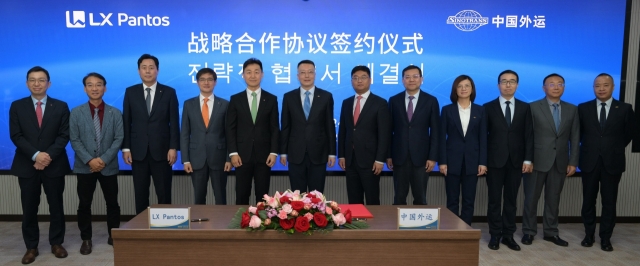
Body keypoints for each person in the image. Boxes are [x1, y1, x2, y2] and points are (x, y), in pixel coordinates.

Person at [9, 66, 71, 264]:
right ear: (27, 83)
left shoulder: (61, 106)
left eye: (41, 80)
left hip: (54, 165)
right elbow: (16, 136)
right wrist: (36, 155)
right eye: (33, 80)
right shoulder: (16, 106)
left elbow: (64, 136)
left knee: (56, 207)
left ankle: (56, 243)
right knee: (29, 208)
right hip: (27, 165)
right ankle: (31, 247)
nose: (37, 83)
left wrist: (46, 157)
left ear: (48, 83)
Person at [578, 73, 636, 252]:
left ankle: (605, 238)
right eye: (597, 86)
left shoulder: (625, 108)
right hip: (589, 161)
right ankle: (589, 235)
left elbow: (630, 133)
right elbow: (578, 134)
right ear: (593, 88)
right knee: (588, 200)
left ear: (613, 87)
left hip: (613, 161)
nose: (601, 89)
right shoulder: (583, 108)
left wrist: (613, 147)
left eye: (605, 85)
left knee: (609, 201)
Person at [521, 73, 579, 247]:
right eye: (551, 84)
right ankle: (529, 232)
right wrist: (527, 160)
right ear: (543, 88)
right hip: (536, 160)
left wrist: (573, 161)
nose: (555, 87)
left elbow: (575, 137)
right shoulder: (532, 107)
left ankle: (551, 232)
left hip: (560, 161)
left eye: (559, 83)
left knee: (553, 199)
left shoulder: (572, 109)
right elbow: (527, 136)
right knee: (531, 198)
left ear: (564, 87)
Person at [69, 72, 123, 254]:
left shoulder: (115, 113)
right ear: (85, 89)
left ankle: (113, 234)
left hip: (108, 166)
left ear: (104, 88)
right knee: (84, 204)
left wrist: (103, 159)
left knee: (113, 203)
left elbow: (119, 138)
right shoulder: (76, 112)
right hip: (85, 167)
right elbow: (74, 140)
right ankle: (86, 239)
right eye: (90, 85)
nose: (94, 88)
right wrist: (90, 160)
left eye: (98, 84)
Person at [122, 54, 180, 214]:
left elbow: (174, 122)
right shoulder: (130, 92)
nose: (148, 71)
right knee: (140, 193)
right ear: (139, 70)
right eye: (144, 68)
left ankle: (165, 229)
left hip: (162, 151)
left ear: (157, 70)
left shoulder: (168, 92)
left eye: (151, 67)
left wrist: (173, 147)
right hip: (137, 151)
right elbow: (126, 121)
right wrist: (126, 148)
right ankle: (142, 229)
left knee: (164, 193)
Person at [484, 70, 533, 251]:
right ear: (498, 85)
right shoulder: (487, 107)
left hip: (516, 162)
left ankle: (508, 235)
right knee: (494, 200)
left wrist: (528, 160)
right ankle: (495, 235)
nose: (508, 84)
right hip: (494, 162)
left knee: (511, 200)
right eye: (504, 81)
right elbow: (484, 137)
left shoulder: (525, 107)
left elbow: (529, 135)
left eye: (512, 81)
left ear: (517, 85)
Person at [226, 58, 279, 205]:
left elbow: (275, 128)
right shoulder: (236, 99)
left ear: (262, 74)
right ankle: (240, 226)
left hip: (265, 155)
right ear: (243, 75)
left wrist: (274, 152)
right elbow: (230, 128)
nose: (253, 75)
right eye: (248, 72)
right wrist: (233, 153)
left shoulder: (271, 99)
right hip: (241, 156)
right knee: (242, 195)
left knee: (263, 197)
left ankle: (261, 225)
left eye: (256, 72)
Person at [280, 59, 336, 193]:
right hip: (295, 153)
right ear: (297, 76)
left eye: (310, 72)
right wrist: (283, 152)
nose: (307, 76)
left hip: (319, 153)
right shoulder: (289, 97)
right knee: (297, 195)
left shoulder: (326, 96)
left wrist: (332, 153)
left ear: (315, 75)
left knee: (316, 196)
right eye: (303, 73)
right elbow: (285, 126)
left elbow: (329, 126)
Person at [338, 65, 391, 205]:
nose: (359, 81)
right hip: (350, 160)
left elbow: (384, 134)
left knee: (372, 199)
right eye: (355, 78)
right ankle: (356, 225)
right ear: (351, 81)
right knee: (354, 200)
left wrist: (380, 160)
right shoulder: (347, 102)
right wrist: (342, 155)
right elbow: (343, 130)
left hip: (371, 161)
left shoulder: (380, 103)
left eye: (363, 77)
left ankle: (375, 226)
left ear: (370, 80)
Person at [386, 65, 439, 205]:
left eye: (415, 76)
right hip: (399, 157)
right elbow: (388, 131)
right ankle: (397, 226)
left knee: (420, 197)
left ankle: (419, 227)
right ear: (402, 80)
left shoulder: (431, 101)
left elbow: (435, 131)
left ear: (422, 79)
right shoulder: (394, 100)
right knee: (399, 197)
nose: (411, 80)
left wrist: (432, 157)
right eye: (407, 77)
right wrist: (389, 155)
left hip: (421, 158)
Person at [438, 75, 487, 225]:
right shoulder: (447, 110)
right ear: (455, 89)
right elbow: (441, 138)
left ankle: (466, 230)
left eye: (467, 86)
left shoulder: (480, 110)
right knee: (452, 200)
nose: (463, 89)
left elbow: (483, 138)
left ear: (472, 89)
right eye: (460, 86)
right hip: (452, 161)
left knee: (468, 200)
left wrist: (483, 162)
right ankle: (453, 232)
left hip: (472, 161)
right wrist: (442, 161)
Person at [181, 68, 232, 204]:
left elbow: (229, 134)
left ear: (215, 82)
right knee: (199, 198)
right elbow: (185, 133)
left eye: (210, 79)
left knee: (221, 198)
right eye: (202, 80)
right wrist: (185, 160)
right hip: (196, 158)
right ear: (197, 82)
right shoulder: (188, 104)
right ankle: (199, 225)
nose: (206, 83)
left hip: (219, 159)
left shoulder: (225, 104)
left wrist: (229, 158)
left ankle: (221, 225)